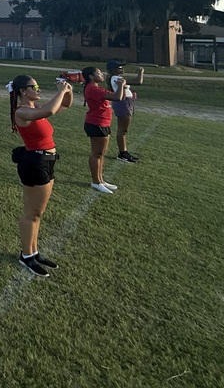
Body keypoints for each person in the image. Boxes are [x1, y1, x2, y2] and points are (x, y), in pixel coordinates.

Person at [10, 74, 73, 278]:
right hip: (35, 163)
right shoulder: (22, 111)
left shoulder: (36, 110)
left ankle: (33, 252)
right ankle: (26, 255)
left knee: (38, 213)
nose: (38, 89)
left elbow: (64, 106)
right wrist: (60, 90)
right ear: (22, 91)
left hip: (46, 162)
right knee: (32, 213)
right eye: (34, 86)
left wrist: (68, 91)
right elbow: (51, 109)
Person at [82, 66, 127, 194]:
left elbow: (120, 97)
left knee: (101, 153)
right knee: (97, 153)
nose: (101, 74)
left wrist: (122, 87)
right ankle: (96, 182)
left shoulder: (96, 87)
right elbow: (117, 98)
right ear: (91, 76)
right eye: (99, 73)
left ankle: (100, 180)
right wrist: (121, 85)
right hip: (96, 123)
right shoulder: (92, 89)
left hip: (102, 123)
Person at [107, 60, 144, 163]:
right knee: (122, 130)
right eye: (119, 67)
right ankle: (122, 153)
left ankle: (124, 151)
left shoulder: (115, 77)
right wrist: (141, 72)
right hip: (123, 103)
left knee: (123, 130)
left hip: (125, 102)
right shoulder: (116, 78)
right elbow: (138, 82)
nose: (122, 69)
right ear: (113, 69)